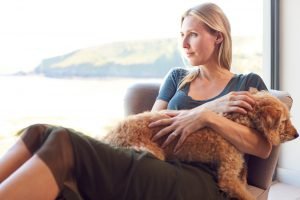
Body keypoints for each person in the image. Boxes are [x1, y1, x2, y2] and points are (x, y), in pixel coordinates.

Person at [0, 2, 271, 200]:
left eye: (193, 34)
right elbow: (150, 126)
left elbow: (262, 148)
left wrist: (208, 118)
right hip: (159, 163)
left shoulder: (248, 83)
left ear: (218, 37)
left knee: (63, 142)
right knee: (40, 132)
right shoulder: (177, 77)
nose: (184, 43)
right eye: (182, 35)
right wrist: (206, 108)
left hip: (206, 180)